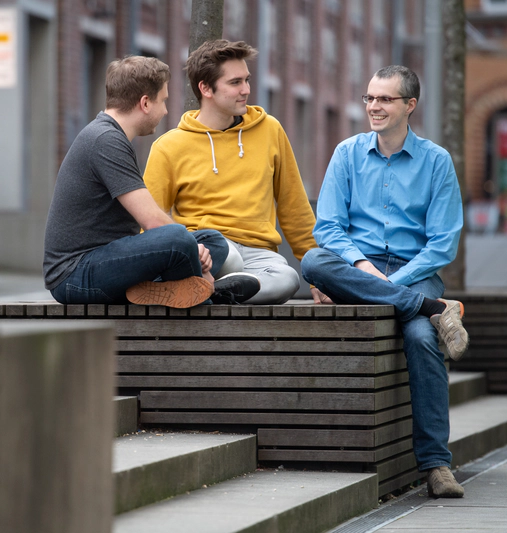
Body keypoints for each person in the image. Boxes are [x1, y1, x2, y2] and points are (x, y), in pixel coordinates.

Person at [300, 65, 469, 498]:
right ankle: (437, 312)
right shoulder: (347, 153)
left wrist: (398, 282)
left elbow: (442, 244)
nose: (374, 106)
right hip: (360, 269)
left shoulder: (436, 162)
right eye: (369, 98)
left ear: (410, 105)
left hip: (418, 272)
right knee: (314, 261)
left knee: (418, 336)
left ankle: (436, 466)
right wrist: (362, 267)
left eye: (385, 99)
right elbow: (329, 228)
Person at [43, 56, 246, 308]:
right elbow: (152, 221)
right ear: (145, 103)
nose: (166, 110)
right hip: (74, 276)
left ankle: (167, 288)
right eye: (163, 101)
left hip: (104, 261)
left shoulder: (108, 135)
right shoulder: (105, 139)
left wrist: (193, 247)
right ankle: (203, 294)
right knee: (178, 238)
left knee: (212, 240)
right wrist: (190, 249)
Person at [143, 40, 318, 304]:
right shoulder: (169, 146)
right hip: (205, 250)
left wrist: (318, 276)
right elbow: (150, 221)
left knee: (288, 279)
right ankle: (212, 286)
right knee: (229, 255)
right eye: (235, 82)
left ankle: (214, 293)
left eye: (247, 80)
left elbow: (295, 208)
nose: (246, 90)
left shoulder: (270, 130)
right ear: (205, 88)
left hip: (259, 254)